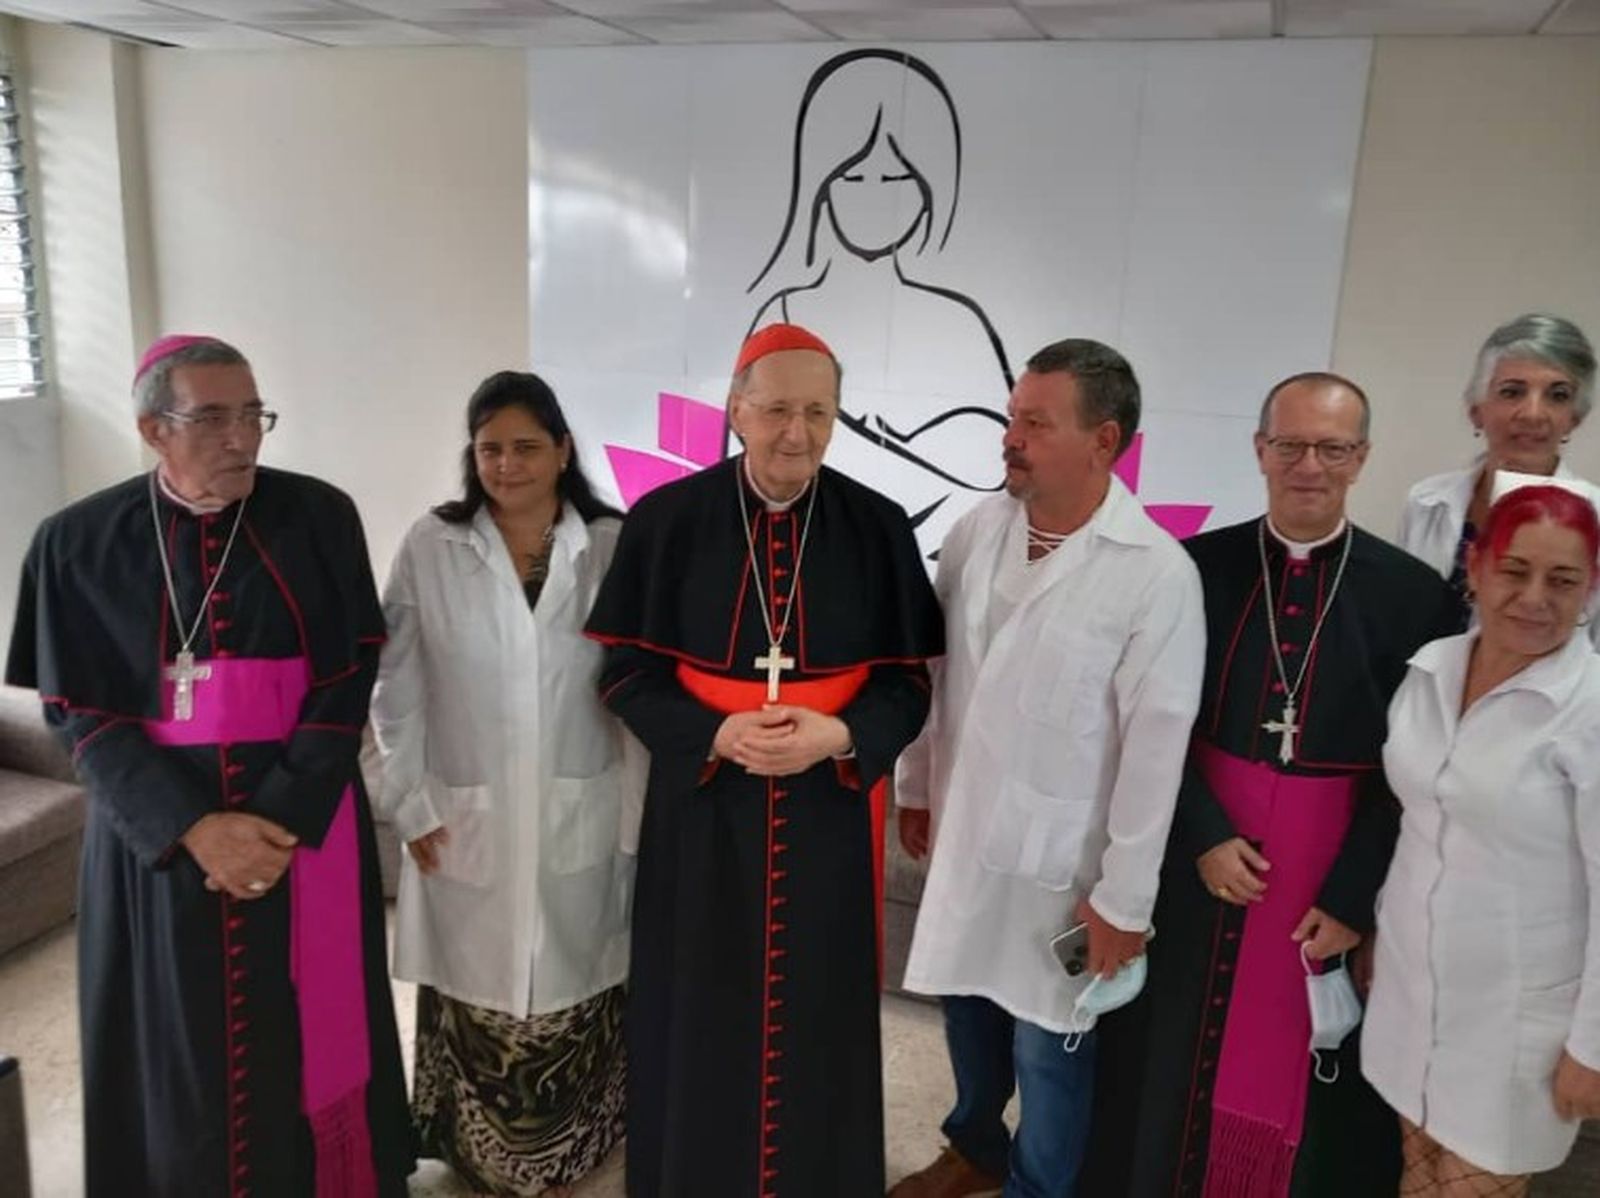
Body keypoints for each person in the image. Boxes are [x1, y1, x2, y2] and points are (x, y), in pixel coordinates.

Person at [4, 334, 412, 1196]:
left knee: (306, 1026)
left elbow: (348, 674)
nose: (244, 438)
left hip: (299, 824)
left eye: (254, 414)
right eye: (215, 418)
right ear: (156, 430)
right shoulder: (75, 541)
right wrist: (191, 827)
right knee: (173, 1035)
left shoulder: (319, 515)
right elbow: (78, 709)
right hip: (155, 835)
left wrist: (278, 818)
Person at [583, 322, 943, 1197]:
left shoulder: (877, 525)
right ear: (736, 409)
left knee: (819, 1006)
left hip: (829, 806)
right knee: (696, 1003)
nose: (798, 431)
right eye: (778, 407)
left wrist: (844, 734)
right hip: (702, 806)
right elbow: (624, 672)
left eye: (818, 411)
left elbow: (908, 682)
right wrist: (711, 732)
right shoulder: (669, 521)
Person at [1085, 372, 1458, 1197]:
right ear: (1259, 450)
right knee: (1169, 1063)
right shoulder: (1193, 569)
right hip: (1199, 870)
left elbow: (1420, 769)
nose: (1309, 466)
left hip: (1324, 887)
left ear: (1361, 458)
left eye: (1331, 448)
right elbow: (1142, 723)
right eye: (1289, 445)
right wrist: (1203, 832)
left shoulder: (1416, 598)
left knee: (1308, 1077)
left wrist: (1356, 895)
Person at [889, 338, 1206, 1198]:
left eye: (1035, 422)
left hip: (1065, 866)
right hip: (965, 826)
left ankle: (1037, 1188)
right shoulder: (976, 531)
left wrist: (1124, 900)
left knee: (1048, 1048)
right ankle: (974, 1149)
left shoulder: (1155, 574)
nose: (1010, 437)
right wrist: (916, 787)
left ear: (1104, 442)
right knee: (966, 1008)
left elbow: (1156, 749)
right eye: (1010, 417)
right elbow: (938, 672)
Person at [372, 371, 636, 1196]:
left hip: (585, 805)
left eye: (526, 446)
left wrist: (639, 818)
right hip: (463, 810)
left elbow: (641, 694)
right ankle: (477, 1150)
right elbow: (394, 682)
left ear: (562, 450)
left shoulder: (614, 543)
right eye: (490, 448)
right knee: (477, 984)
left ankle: (571, 1147)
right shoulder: (433, 544)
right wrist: (408, 798)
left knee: (577, 976)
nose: (508, 464)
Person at [1365, 481, 1600, 1196]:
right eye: (1515, 570)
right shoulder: (1429, 672)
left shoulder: (1587, 708)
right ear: (1476, 567)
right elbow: (1417, 824)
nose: (1535, 597)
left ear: (1590, 589)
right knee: (1418, 1176)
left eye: (1562, 580)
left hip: (1514, 1022)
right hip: (1412, 990)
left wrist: (1591, 1049)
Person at [746, 48, 1014, 554]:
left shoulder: (958, 322)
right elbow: (748, 473)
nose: (875, 196)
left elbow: (991, 482)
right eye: (852, 176)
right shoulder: (781, 319)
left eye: (897, 178)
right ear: (820, 182)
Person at [1398, 313, 1597, 633]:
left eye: (1557, 395)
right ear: (1476, 410)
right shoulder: (1425, 503)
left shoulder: (1596, 516)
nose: (1533, 413)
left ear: (1574, 418)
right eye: (1512, 392)